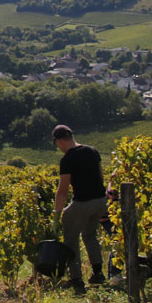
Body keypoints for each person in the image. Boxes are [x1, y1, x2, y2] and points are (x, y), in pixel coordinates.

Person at [52, 125, 108, 293]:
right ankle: (98, 273)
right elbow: (101, 176)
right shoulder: (92, 151)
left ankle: (76, 279)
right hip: (100, 201)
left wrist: (57, 214)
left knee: (70, 238)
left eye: (56, 144)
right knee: (90, 234)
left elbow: (62, 192)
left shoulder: (68, 160)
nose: (58, 148)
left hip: (82, 202)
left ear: (60, 141)